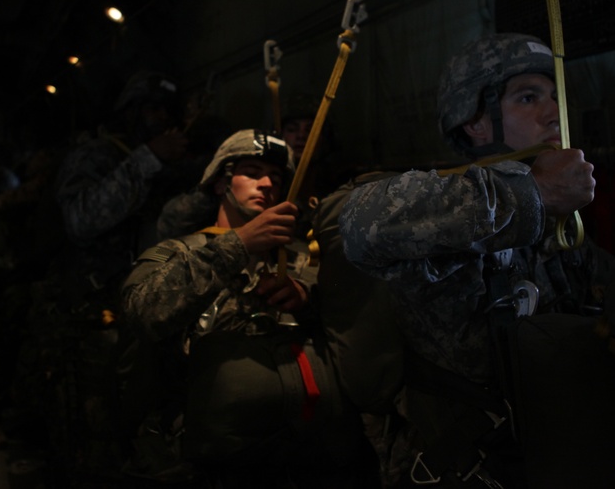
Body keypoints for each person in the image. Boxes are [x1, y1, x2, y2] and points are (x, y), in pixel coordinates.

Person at [339, 34, 615, 488]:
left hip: (552, 453)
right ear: (475, 121)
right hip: (463, 466)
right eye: (528, 97)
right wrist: (530, 192)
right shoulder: (453, 207)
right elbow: (361, 225)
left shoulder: (558, 226)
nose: (554, 112)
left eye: (554, 96)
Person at [122, 129, 373, 488]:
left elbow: (357, 333)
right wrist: (237, 246)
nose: (267, 183)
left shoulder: (306, 258)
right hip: (217, 460)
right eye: (252, 172)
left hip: (313, 456)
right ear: (221, 183)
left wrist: (307, 300)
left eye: (277, 176)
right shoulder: (178, 254)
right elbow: (142, 312)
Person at [40, 69, 188, 486]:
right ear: (130, 113)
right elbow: (81, 220)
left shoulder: (164, 160)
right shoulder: (98, 155)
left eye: (166, 111)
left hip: (150, 307)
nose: (160, 118)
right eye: (151, 109)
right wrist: (148, 159)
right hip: (96, 310)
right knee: (96, 424)